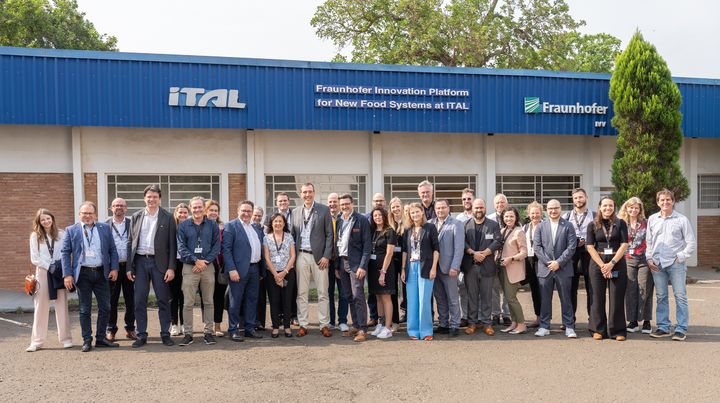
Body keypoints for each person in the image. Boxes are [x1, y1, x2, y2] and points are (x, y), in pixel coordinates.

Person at [61, 201, 120, 352]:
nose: (87, 216)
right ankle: (87, 339)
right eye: (84, 213)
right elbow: (65, 253)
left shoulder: (105, 228)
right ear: (79, 214)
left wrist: (114, 268)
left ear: (95, 215)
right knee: (85, 309)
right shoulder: (71, 230)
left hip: (102, 272)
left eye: (90, 213)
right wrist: (67, 274)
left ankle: (101, 339)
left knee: (105, 307)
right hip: (83, 274)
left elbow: (112, 250)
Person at [127, 184, 177, 348]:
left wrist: (171, 267)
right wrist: (129, 267)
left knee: (163, 299)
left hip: (160, 263)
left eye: (155, 196)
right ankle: (141, 335)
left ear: (159, 199)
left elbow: (172, 245)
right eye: (149, 196)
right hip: (140, 262)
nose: (152, 199)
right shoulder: (136, 216)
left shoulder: (167, 217)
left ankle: (165, 333)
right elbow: (130, 242)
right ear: (144, 198)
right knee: (139, 300)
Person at [646, 189, 696, 341]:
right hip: (657, 264)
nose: (665, 202)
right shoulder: (652, 219)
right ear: (658, 202)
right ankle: (663, 327)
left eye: (668, 200)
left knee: (680, 296)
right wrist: (649, 258)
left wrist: (680, 257)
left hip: (675, 264)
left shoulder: (682, 220)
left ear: (673, 201)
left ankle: (681, 329)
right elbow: (648, 242)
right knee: (661, 296)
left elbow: (691, 243)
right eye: (662, 200)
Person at [291, 183, 333, 337]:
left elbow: (330, 235)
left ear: (314, 193)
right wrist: (293, 258)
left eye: (309, 192)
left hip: (319, 258)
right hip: (301, 255)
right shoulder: (295, 212)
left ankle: (324, 324)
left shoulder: (323, 210)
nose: (307, 195)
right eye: (304, 192)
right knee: (302, 293)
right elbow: (292, 236)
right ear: (300, 194)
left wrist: (326, 256)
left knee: (323, 292)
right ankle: (303, 324)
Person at [177, 196, 221, 346]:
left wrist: (205, 262)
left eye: (200, 207)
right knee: (188, 302)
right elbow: (181, 247)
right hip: (190, 267)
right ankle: (188, 334)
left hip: (208, 267)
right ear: (190, 208)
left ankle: (208, 332)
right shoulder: (183, 226)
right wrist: (196, 260)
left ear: (204, 208)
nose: (197, 210)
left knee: (208, 301)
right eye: (194, 207)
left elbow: (216, 246)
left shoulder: (212, 225)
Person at [26, 209, 72, 352]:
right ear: (39, 222)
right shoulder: (35, 236)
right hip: (43, 273)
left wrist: (59, 268)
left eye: (48, 218)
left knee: (62, 305)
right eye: (42, 220)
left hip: (58, 273)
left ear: (52, 218)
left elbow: (66, 252)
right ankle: (37, 341)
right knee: (40, 307)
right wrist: (48, 266)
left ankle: (66, 339)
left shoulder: (62, 234)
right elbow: (34, 258)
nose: (46, 221)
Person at [533, 199, 577, 338]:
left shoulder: (568, 226)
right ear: (547, 210)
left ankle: (569, 326)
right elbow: (537, 247)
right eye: (550, 208)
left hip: (563, 268)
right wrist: (549, 263)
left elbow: (571, 247)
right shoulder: (540, 226)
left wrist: (558, 262)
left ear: (561, 209)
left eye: (556, 208)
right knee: (545, 299)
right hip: (545, 269)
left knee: (566, 298)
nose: (553, 211)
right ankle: (544, 326)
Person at [586, 196, 629, 341]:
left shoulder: (621, 223)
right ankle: (598, 329)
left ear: (614, 207)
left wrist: (612, 263)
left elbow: (624, 244)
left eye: (610, 206)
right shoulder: (592, 225)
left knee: (616, 297)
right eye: (604, 206)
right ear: (599, 207)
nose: (607, 208)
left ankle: (617, 331)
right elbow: (590, 247)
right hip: (598, 263)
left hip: (617, 262)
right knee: (597, 298)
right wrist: (602, 265)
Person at [223, 200, 265, 341]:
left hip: (254, 269)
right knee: (235, 301)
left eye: (249, 211)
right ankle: (233, 329)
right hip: (238, 271)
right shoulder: (231, 226)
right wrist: (232, 269)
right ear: (238, 211)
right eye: (244, 210)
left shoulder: (255, 228)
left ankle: (249, 328)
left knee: (252, 300)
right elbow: (226, 250)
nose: (246, 213)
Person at [462, 198, 501, 336]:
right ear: (472, 209)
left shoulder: (493, 225)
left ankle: (487, 324)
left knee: (486, 296)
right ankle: (472, 323)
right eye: (476, 208)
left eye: (481, 207)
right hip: (471, 266)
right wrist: (473, 253)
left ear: (485, 208)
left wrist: (484, 253)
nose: (479, 210)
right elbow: (463, 243)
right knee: (472, 296)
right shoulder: (465, 225)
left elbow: (497, 241)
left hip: (487, 266)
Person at [335, 194, 372, 342]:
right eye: (342, 204)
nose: (344, 207)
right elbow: (337, 244)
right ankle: (356, 325)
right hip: (342, 263)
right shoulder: (338, 220)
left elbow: (367, 246)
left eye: (347, 204)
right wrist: (338, 266)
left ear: (353, 204)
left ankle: (363, 328)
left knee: (358, 295)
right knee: (348, 296)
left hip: (356, 264)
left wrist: (363, 266)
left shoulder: (361, 220)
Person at [401, 202, 439, 340]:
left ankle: (426, 331)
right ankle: (413, 331)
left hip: (426, 267)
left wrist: (434, 267)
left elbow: (436, 249)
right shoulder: (408, 230)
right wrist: (403, 269)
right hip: (411, 267)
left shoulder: (430, 227)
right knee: (412, 300)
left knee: (424, 300)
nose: (415, 214)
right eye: (412, 213)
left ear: (422, 212)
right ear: (409, 215)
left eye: (417, 211)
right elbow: (405, 251)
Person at [618, 197, 654, 334]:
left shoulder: (646, 223)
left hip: (644, 260)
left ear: (640, 210)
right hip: (627, 260)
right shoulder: (621, 223)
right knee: (631, 290)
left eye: (636, 208)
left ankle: (646, 321)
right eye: (631, 207)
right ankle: (632, 321)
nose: (633, 210)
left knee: (645, 289)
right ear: (626, 208)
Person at [429, 199, 464, 337]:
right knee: (440, 297)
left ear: (449, 208)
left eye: (443, 207)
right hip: (434, 268)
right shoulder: (430, 223)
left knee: (453, 298)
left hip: (449, 268)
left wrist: (455, 266)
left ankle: (455, 324)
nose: (440, 210)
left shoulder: (456, 224)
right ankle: (443, 323)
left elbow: (459, 248)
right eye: (438, 208)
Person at [105, 198, 137, 342]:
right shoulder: (104, 226)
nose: (119, 207)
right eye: (116, 205)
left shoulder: (133, 224)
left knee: (131, 300)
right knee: (112, 300)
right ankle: (111, 329)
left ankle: (130, 329)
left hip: (129, 267)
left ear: (126, 208)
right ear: (111, 208)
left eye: (122, 205)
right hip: (113, 269)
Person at [263, 192, 297, 326]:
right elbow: (266, 251)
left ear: (288, 202)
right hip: (273, 268)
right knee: (275, 298)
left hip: (289, 262)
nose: (282, 203)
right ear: (277, 203)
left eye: (285, 201)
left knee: (290, 295)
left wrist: (285, 272)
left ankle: (291, 318)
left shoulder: (295, 214)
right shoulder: (269, 218)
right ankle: (277, 323)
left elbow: (293, 253)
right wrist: (276, 273)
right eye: (280, 201)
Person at [563, 188, 595, 328]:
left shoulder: (595, 215)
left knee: (592, 287)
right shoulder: (566, 216)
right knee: (571, 289)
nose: (578, 200)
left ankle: (593, 319)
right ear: (572, 199)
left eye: (581, 197)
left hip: (590, 253)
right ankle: (570, 320)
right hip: (572, 253)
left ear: (586, 197)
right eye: (576, 198)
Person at [496, 207, 528, 335]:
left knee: (511, 298)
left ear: (516, 218)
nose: (508, 219)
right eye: (506, 216)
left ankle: (521, 324)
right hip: (502, 269)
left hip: (513, 269)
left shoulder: (519, 232)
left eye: (511, 216)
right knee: (508, 298)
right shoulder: (503, 230)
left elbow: (524, 252)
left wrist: (511, 258)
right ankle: (514, 323)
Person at [368, 207, 397, 339]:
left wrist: (383, 272)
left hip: (384, 269)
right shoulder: (373, 231)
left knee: (386, 297)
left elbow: (389, 253)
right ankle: (380, 323)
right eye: (375, 216)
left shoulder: (390, 231)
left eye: (379, 215)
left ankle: (388, 327)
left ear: (384, 216)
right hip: (373, 268)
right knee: (378, 297)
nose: (377, 217)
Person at [486, 193, 511, 326]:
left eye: (502, 202)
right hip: (493, 258)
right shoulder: (489, 220)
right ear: (494, 205)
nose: (500, 205)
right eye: (497, 203)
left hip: (509, 258)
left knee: (507, 288)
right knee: (494, 288)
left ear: (506, 203)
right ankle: (495, 314)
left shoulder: (513, 218)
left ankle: (506, 314)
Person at [327, 192, 349, 332]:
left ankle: (342, 320)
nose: (333, 204)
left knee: (343, 293)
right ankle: (330, 321)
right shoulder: (325, 218)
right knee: (328, 292)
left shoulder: (344, 219)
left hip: (341, 262)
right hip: (327, 263)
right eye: (330, 202)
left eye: (335, 202)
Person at [205, 199, 227, 337]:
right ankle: (207, 326)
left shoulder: (223, 227)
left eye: (216, 210)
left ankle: (217, 326)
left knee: (219, 297)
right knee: (207, 297)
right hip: (205, 266)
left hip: (220, 266)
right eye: (211, 210)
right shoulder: (201, 225)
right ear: (206, 211)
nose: (213, 212)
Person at [365, 192, 386, 327]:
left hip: (385, 259)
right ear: (372, 202)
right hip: (370, 260)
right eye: (376, 201)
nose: (378, 203)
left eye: (381, 200)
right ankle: (374, 316)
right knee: (372, 291)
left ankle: (389, 317)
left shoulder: (388, 218)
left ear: (385, 202)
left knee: (387, 292)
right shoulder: (366, 218)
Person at [521, 201, 544, 328]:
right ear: (528, 214)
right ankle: (538, 318)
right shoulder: (525, 228)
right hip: (529, 260)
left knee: (544, 290)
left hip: (542, 260)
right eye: (532, 213)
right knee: (534, 289)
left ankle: (545, 318)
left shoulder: (545, 226)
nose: (535, 215)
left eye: (537, 213)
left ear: (541, 213)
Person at [454, 188, 474, 328]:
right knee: (463, 290)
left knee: (477, 290)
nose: (466, 201)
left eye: (469, 198)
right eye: (464, 199)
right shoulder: (458, 219)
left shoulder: (479, 215)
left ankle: (477, 316)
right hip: (463, 259)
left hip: (478, 258)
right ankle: (464, 316)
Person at [169, 203, 189, 336]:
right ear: (176, 214)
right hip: (173, 264)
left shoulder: (191, 227)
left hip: (187, 263)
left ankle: (183, 323)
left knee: (184, 296)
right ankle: (174, 324)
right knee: (173, 296)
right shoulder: (171, 228)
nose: (182, 215)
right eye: (180, 212)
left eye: (185, 213)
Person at [388, 197, 406, 324]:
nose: (395, 209)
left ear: (402, 206)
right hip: (392, 260)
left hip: (406, 259)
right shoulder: (388, 224)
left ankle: (407, 315)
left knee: (407, 289)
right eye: (393, 207)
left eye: (397, 206)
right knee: (392, 289)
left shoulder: (408, 222)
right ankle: (394, 320)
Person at [253, 206, 270, 331]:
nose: (257, 217)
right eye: (255, 215)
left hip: (262, 267)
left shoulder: (265, 230)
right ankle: (249, 322)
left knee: (261, 297)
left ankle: (260, 322)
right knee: (251, 296)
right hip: (252, 266)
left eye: (259, 215)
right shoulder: (247, 228)